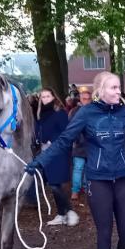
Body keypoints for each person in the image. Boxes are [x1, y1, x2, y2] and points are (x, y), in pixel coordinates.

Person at [25, 72, 125, 249]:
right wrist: (39, 162)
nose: (118, 92)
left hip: (123, 179)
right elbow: (64, 141)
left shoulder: (124, 113)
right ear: (100, 90)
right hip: (98, 181)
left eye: (118, 88)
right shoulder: (86, 113)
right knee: (105, 231)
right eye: (113, 88)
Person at [34, 88, 79, 226]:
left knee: (55, 184)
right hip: (45, 152)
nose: (45, 99)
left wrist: (51, 140)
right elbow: (39, 129)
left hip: (58, 152)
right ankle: (61, 214)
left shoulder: (60, 113)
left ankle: (70, 211)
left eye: (48, 96)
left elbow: (66, 132)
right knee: (53, 184)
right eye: (43, 97)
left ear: (53, 97)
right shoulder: (41, 113)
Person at [69, 88, 93, 201]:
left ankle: (87, 187)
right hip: (79, 144)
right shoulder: (74, 111)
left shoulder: (94, 110)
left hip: (91, 145)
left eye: (88, 99)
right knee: (78, 169)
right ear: (80, 99)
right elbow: (71, 128)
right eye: (84, 99)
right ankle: (75, 190)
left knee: (88, 169)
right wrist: (77, 140)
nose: (86, 101)